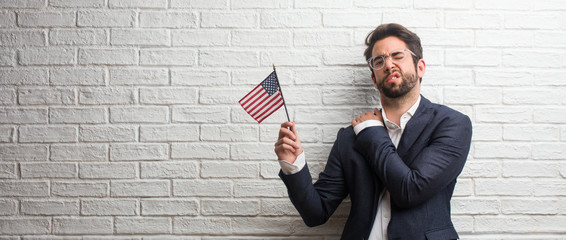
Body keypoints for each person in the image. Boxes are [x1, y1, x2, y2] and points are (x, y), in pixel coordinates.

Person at [274, 23, 472, 240]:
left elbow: (411, 191)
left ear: (420, 67)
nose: (388, 64)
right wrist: (294, 165)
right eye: (379, 61)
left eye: (397, 55)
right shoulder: (349, 137)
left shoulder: (451, 124)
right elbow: (316, 213)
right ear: (374, 80)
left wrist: (372, 131)